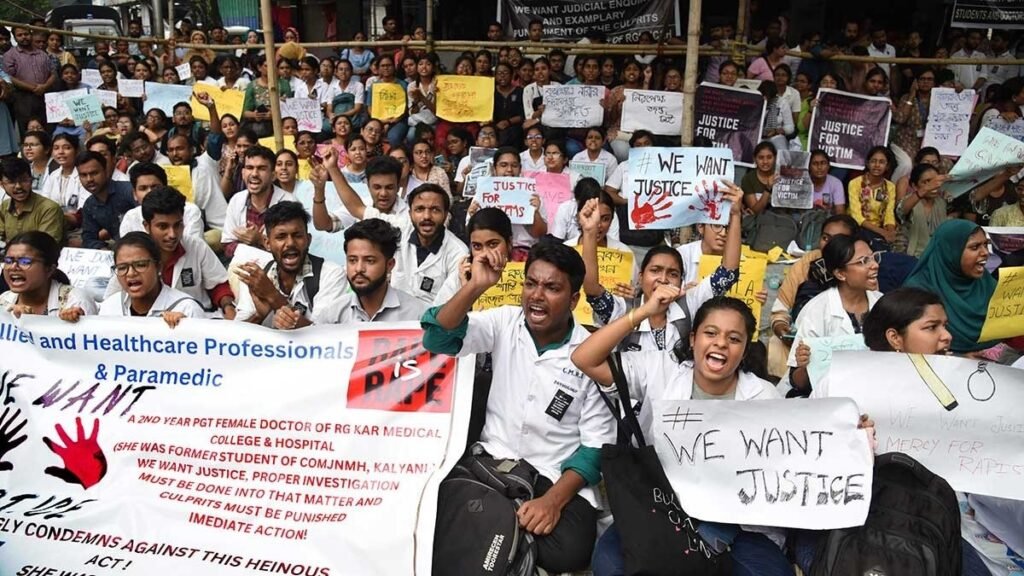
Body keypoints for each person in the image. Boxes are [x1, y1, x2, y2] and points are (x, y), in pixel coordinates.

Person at [422, 242, 616, 573]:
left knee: (569, 550)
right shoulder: (504, 322)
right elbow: (437, 338)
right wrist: (476, 285)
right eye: (531, 283)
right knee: (434, 513)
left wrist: (551, 503)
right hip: (493, 465)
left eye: (552, 288)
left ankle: (494, 534)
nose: (536, 296)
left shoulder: (590, 353)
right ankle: (508, 541)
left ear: (573, 300)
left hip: (552, 477)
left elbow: (595, 448)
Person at [571, 296, 798, 576]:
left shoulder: (764, 395)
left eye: (734, 338)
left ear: (743, 350)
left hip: (737, 523)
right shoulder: (662, 371)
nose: (720, 343)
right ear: (693, 339)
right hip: (660, 510)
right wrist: (642, 312)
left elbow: (792, 457)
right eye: (710, 333)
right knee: (609, 564)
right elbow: (585, 358)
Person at [586, 180, 743, 352]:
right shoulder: (624, 308)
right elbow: (593, 290)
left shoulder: (690, 304)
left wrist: (735, 216)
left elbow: (727, 274)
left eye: (673, 274)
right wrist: (589, 232)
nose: (663, 279)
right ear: (640, 276)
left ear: (681, 281)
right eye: (655, 270)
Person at [787, 235, 882, 394]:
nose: (874, 265)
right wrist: (804, 365)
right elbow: (798, 382)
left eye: (873, 257)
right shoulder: (817, 310)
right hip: (830, 400)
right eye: (863, 261)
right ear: (840, 274)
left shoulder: (882, 303)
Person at [234, 201, 347, 329]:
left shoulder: (331, 275)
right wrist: (260, 316)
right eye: (281, 237)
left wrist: (272, 297)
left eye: (297, 235)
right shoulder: (257, 278)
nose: (290, 243)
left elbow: (323, 337)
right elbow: (238, 336)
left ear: (308, 240)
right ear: (267, 243)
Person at [127, 186, 234, 318]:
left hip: (198, 319)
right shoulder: (134, 256)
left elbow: (219, 285)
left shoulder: (196, 246)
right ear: (147, 226)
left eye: (177, 225)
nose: (172, 234)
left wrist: (228, 307)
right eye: (163, 226)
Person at [902, 220, 997, 354]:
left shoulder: (987, 283)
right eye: (975, 247)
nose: (985, 253)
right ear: (950, 251)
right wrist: (961, 358)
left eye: (985, 245)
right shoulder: (917, 292)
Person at [329, 218, 427, 322]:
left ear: (389, 265)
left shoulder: (417, 315)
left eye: (370, 261)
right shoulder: (331, 316)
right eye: (352, 260)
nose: (359, 269)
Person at [99, 232, 206, 325]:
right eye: (122, 268)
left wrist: (186, 329)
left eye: (140, 265)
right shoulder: (110, 308)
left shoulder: (186, 309)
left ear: (158, 267)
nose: (131, 273)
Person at [1, 231, 96, 319]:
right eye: (8, 261)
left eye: (25, 261)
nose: (13, 267)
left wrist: (72, 322)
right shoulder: (3, 301)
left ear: (50, 269)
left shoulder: (76, 301)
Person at [120, 162, 203, 239]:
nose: (150, 192)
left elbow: (191, 246)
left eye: (155, 187)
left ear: (166, 187)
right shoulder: (130, 218)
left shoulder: (189, 211)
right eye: (143, 188)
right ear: (135, 194)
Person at [2, 25, 55, 135]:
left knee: (47, 128)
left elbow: (53, 74)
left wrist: (44, 87)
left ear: (31, 34)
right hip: (23, 98)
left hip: (44, 96)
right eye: (20, 35)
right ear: (15, 37)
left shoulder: (42, 54)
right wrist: (33, 88)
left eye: (26, 34)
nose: (24, 37)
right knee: (27, 129)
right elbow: (10, 77)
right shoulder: (10, 55)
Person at [78, 151, 135, 250]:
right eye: (83, 175)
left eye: (94, 173)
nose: (89, 179)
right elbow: (89, 238)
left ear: (106, 171)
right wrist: (102, 250)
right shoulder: (89, 205)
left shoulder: (128, 191)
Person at [0, 158, 64, 244]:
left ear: (31, 180)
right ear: (1, 184)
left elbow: (46, 246)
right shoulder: (4, 206)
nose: (18, 186)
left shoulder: (49, 209)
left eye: (23, 180)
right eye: (11, 182)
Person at [847, 146, 896, 250]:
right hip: (858, 228)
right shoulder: (855, 183)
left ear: (887, 166)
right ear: (868, 163)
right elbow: (857, 218)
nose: (877, 165)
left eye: (882, 162)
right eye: (873, 161)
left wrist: (890, 232)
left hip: (880, 229)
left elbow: (889, 214)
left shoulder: (890, 187)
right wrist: (883, 233)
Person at [896, 162, 949, 258]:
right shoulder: (910, 201)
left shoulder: (941, 203)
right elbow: (901, 211)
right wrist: (926, 189)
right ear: (914, 186)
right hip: (910, 258)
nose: (933, 186)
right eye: (926, 182)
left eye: (935, 182)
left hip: (936, 256)